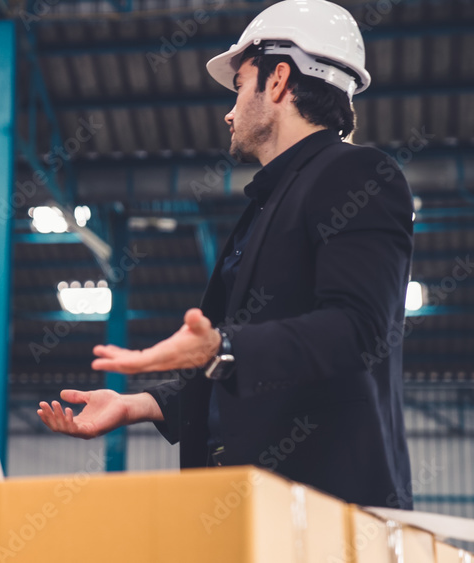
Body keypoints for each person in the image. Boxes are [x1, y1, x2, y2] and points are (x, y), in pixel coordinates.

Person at [38, 0, 415, 509]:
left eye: (240, 85)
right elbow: (250, 356)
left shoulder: (359, 174)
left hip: (324, 512)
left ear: (278, 80)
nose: (229, 110)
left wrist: (221, 347)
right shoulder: (271, 200)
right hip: (249, 509)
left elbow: (357, 329)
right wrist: (139, 405)